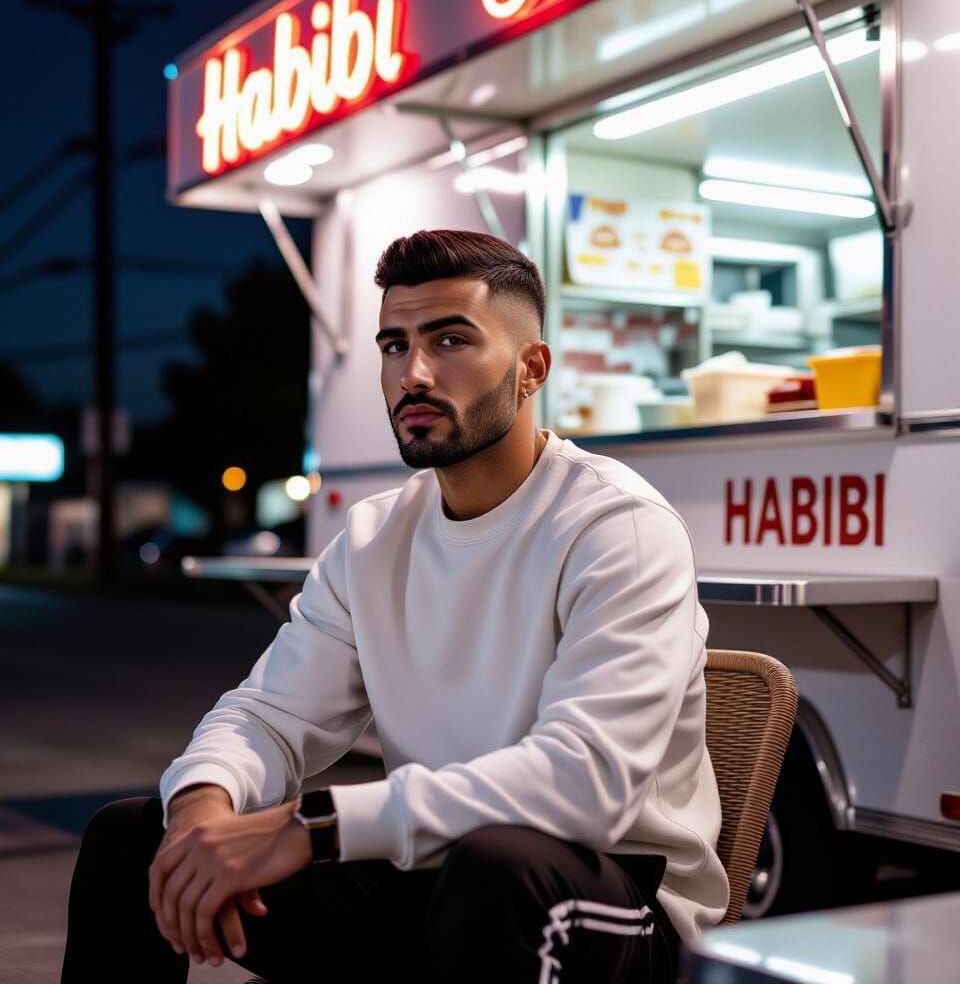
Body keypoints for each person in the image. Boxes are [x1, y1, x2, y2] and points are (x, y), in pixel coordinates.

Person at [61, 230, 729, 984]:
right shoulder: (375, 537)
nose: (413, 374)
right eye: (393, 345)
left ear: (530, 368)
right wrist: (201, 806)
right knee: (137, 837)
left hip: (617, 899)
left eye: (450, 341)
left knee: (498, 867)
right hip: (439, 871)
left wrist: (318, 827)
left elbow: (586, 785)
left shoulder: (617, 528)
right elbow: (268, 717)